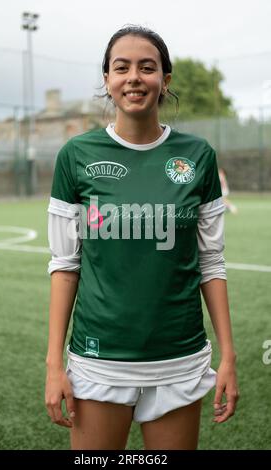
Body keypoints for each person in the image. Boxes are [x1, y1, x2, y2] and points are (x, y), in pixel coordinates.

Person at [45, 25, 239, 450]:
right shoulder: (76, 156)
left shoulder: (198, 156)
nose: (134, 77)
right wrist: (53, 364)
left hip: (180, 357)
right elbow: (65, 265)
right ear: (107, 80)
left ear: (164, 81)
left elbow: (212, 263)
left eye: (147, 67)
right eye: (122, 67)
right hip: (99, 360)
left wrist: (228, 356)